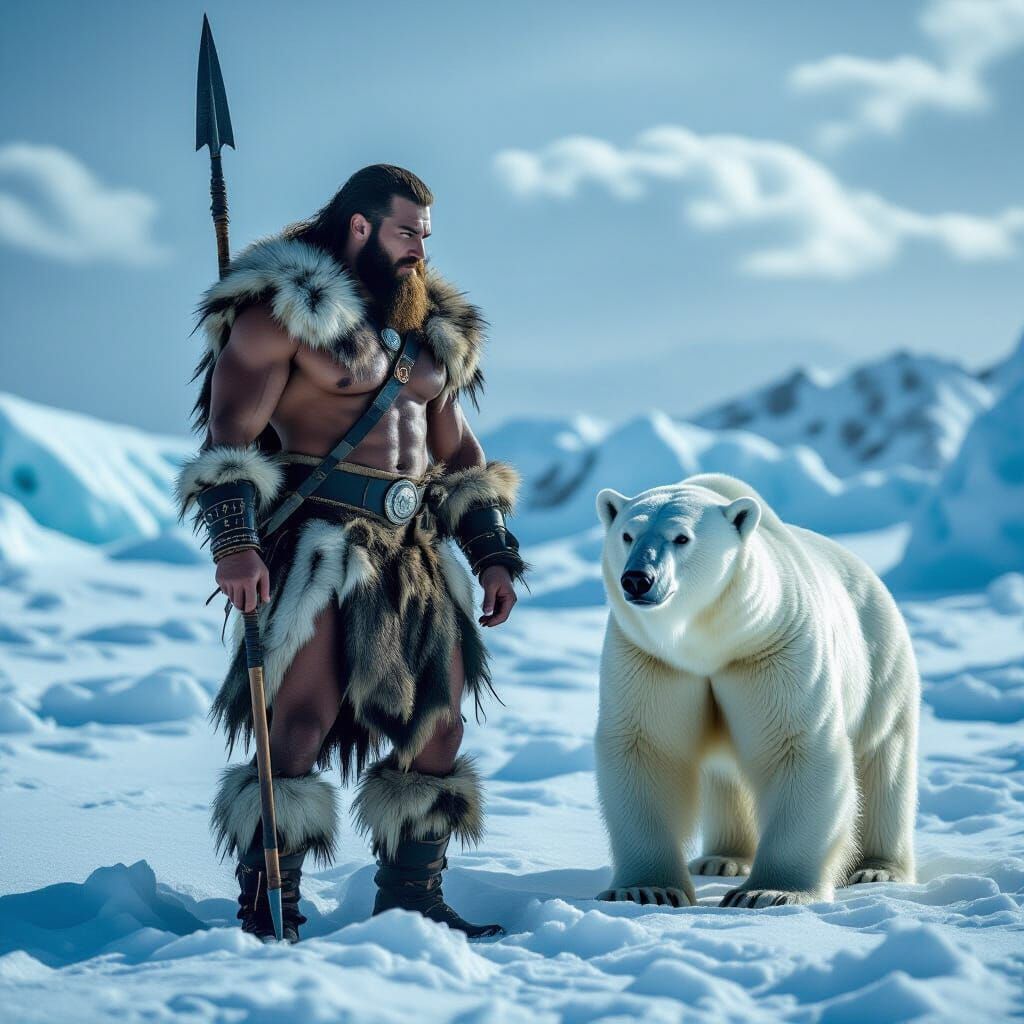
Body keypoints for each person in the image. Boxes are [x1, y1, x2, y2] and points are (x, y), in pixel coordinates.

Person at [174, 164, 527, 942]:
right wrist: (235, 545)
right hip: (321, 547)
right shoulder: (280, 318)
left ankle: (412, 902)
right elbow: (228, 437)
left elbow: (457, 453)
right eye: (407, 234)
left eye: (426, 239)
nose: (419, 253)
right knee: (298, 725)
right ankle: (271, 905)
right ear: (361, 227)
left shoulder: (431, 333)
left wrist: (492, 553)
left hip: (414, 553)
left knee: (438, 730)